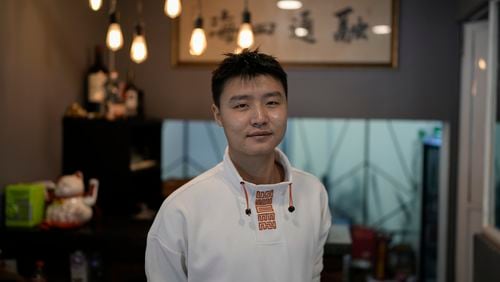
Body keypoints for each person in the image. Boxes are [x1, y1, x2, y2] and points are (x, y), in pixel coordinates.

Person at [145, 49, 331, 282]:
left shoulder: (313, 193)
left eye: (272, 102)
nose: (260, 117)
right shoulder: (181, 209)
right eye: (242, 106)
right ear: (218, 115)